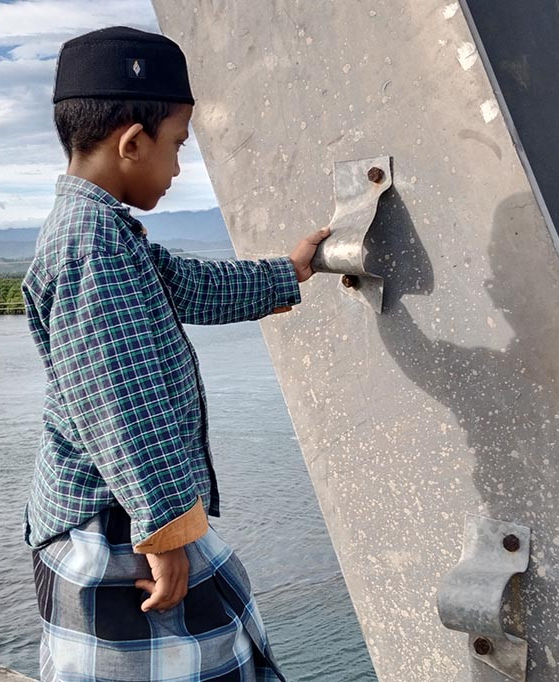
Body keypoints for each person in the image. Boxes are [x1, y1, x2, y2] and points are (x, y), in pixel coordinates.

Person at [20, 25, 329, 682]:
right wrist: (164, 529)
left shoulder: (102, 232)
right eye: (178, 145)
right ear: (133, 143)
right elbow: (119, 398)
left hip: (118, 508)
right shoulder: (91, 249)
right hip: (113, 522)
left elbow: (187, 282)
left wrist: (288, 273)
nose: (180, 166)